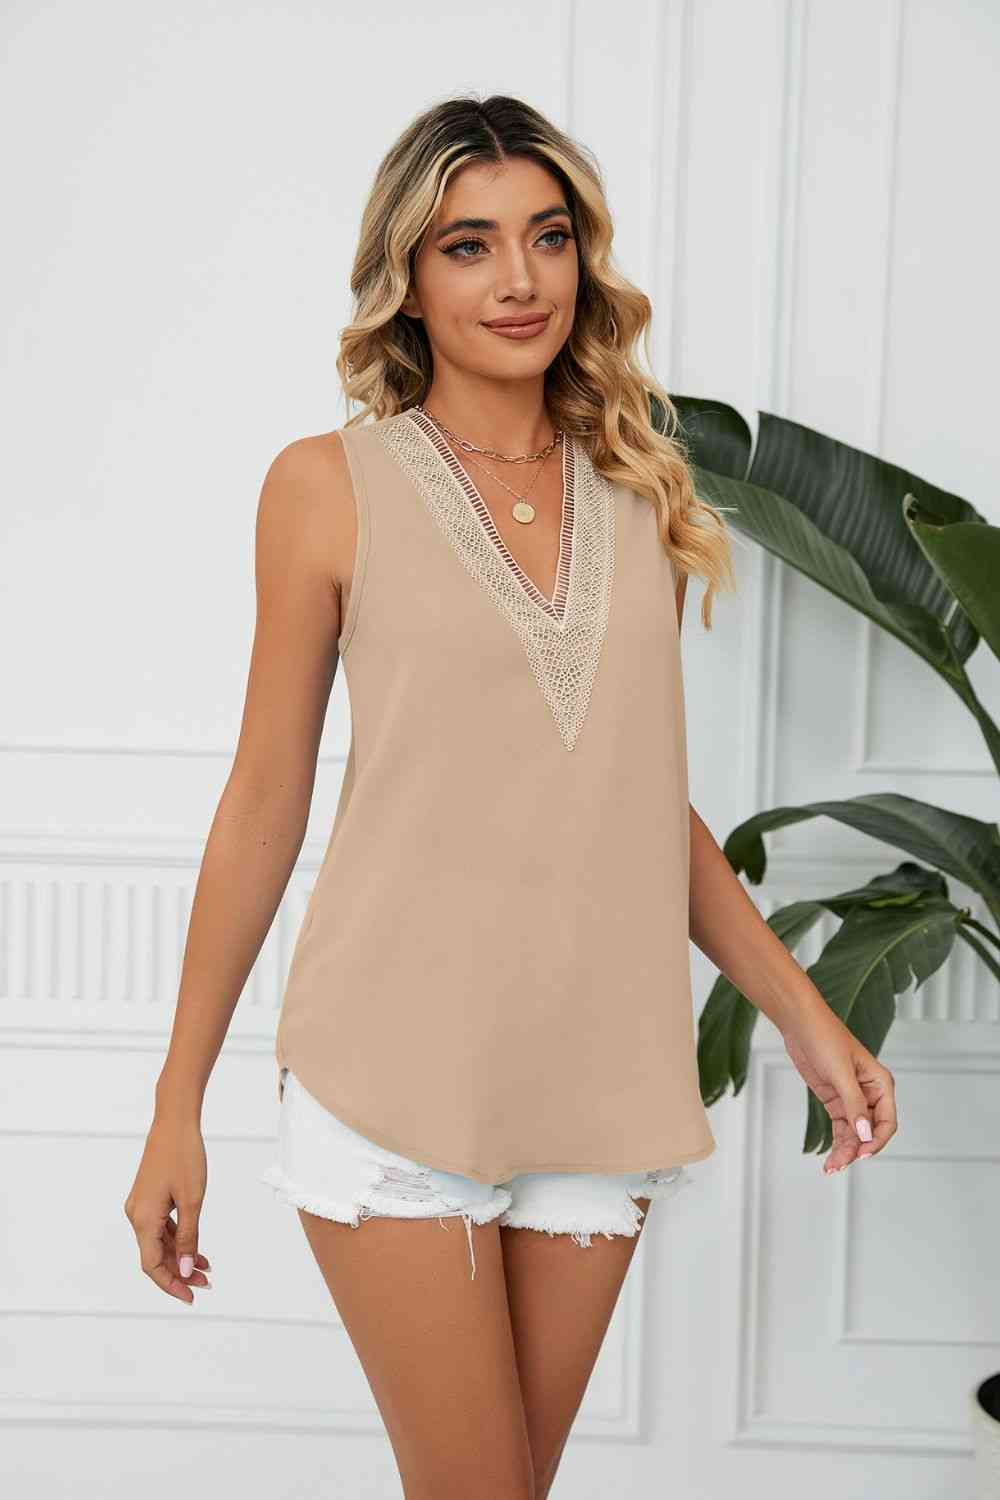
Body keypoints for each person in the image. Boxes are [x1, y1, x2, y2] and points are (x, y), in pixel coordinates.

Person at [124, 93, 897, 1498]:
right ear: (408, 277)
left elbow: (640, 803)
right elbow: (263, 799)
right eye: (469, 246)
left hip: (601, 1075)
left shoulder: (642, 488)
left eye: (547, 237)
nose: (520, 279)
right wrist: (177, 1101)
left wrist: (807, 1015)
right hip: (390, 1066)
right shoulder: (324, 486)